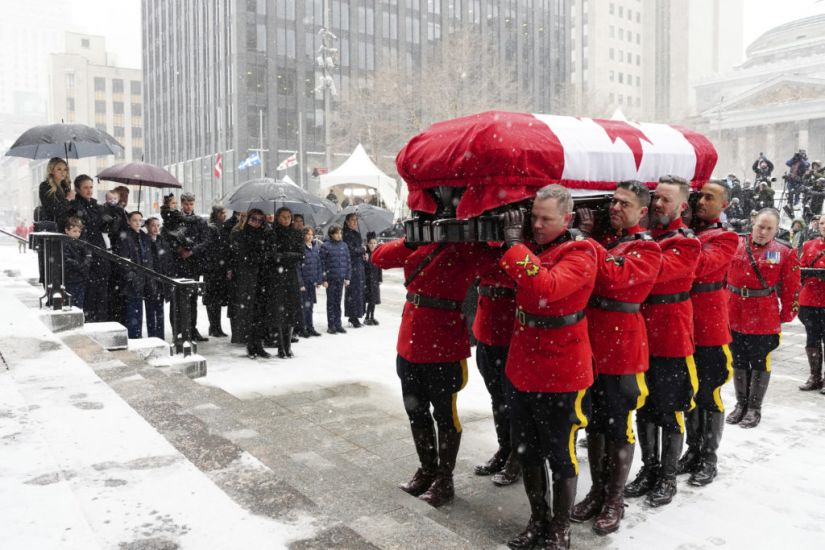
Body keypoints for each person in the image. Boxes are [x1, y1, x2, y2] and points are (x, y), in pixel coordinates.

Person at [496, 184, 595, 550]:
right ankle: (537, 521)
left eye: (545, 219)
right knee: (526, 450)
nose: (536, 225)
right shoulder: (533, 248)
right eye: (533, 217)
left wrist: (513, 246)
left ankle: (559, 528)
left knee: (560, 453)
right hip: (523, 363)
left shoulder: (582, 251)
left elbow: (546, 286)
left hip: (562, 368)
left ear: (567, 219)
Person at [371, 222, 494, 509]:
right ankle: (426, 469)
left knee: (445, 414)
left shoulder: (464, 243)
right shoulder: (419, 238)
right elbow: (379, 257)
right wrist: (411, 242)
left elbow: (494, 268)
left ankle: (444, 478)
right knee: (415, 410)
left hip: (443, 342)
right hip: (410, 340)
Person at [570, 181, 661, 536]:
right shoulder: (610, 242)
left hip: (623, 348)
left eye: (625, 204)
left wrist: (583, 238)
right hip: (591, 345)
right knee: (593, 424)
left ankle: (614, 499)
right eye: (614, 202)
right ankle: (597, 491)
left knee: (618, 425)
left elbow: (612, 277)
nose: (616, 208)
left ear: (642, 211)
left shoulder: (648, 248)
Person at [625, 175, 701, 508]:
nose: (657, 204)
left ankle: (668, 476)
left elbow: (650, 271)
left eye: (665, 200)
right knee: (644, 408)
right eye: (655, 198)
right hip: (642, 336)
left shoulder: (686, 242)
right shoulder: (648, 237)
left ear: (682, 206)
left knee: (670, 412)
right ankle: (649, 468)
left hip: (671, 338)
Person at [675, 180, 739, 488]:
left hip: (711, 330)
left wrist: (682, 233)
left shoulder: (726, 237)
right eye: (700, 196)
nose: (702, 202)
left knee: (709, 394)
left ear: (724, 205)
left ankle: (709, 457)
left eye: (710, 198)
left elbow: (698, 265)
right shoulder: (690, 233)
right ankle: (693, 450)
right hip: (685, 328)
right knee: (690, 393)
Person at [726, 208, 801, 428]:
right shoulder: (735, 243)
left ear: (776, 230)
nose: (763, 232)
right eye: (760, 226)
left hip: (763, 316)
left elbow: (792, 286)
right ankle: (740, 404)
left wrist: (787, 313)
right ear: (752, 222)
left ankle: (754, 408)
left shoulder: (784, 251)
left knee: (759, 361)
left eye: (769, 228)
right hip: (733, 311)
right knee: (738, 359)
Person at [470, 251, 520, 487]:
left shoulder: (521, 240)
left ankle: (518, 456)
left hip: (513, 331)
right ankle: (505, 447)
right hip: (487, 328)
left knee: (516, 401)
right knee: (497, 397)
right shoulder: (484, 240)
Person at [229, 210, 275, 359]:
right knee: (249, 313)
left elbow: (270, 253)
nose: (256, 222)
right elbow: (238, 255)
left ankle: (259, 344)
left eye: (260, 220)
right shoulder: (240, 233)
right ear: (248, 219)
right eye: (253, 219)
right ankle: (250, 343)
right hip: (247, 278)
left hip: (263, 277)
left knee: (261, 312)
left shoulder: (266, 233)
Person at [68, 175, 113, 322]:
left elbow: (105, 226)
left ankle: (101, 320)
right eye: (85, 188)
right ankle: (91, 321)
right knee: (90, 295)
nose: (89, 190)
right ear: (78, 189)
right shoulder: (75, 206)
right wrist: (100, 219)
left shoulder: (96, 205)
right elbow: (85, 225)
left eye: (91, 187)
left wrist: (108, 220)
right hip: (86, 252)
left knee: (102, 294)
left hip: (99, 251)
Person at [172, 192, 211, 341]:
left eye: (191, 204)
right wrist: (179, 249)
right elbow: (170, 237)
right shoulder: (176, 220)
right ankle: (179, 329)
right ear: (182, 204)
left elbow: (206, 241)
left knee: (192, 298)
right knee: (178, 298)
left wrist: (192, 251)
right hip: (179, 263)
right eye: (186, 204)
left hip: (193, 263)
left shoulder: (199, 221)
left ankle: (192, 328)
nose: (188, 207)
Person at [271, 207, 305, 358]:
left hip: (291, 275)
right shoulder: (272, 233)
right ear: (278, 217)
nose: (286, 219)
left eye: (288, 217)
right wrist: (283, 256)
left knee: (291, 311)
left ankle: (288, 345)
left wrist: (286, 255)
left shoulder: (297, 233)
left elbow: (301, 254)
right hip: (277, 277)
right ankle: (280, 346)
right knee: (279, 312)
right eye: (283, 217)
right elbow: (272, 255)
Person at [118, 211, 156, 339]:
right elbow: (124, 260)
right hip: (133, 281)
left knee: (145, 312)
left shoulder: (144, 237)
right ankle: (135, 338)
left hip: (146, 279)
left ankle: (146, 337)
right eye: (134, 220)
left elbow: (149, 257)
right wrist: (132, 276)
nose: (138, 223)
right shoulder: (126, 237)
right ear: (129, 222)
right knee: (133, 313)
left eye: (140, 220)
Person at [798, 215, 825, 393]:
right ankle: (815, 376)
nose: (824, 226)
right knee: (812, 339)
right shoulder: (809, 245)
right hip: (810, 300)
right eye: (822, 223)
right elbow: (800, 269)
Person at [204, 206, 231, 337]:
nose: (224, 215)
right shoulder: (212, 228)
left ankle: (217, 327)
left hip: (220, 268)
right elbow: (210, 247)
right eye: (222, 213)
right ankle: (213, 326)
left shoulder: (222, 227)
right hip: (212, 269)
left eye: (224, 213)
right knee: (212, 299)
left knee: (218, 299)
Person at [144, 217, 173, 339]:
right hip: (150, 280)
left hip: (161, 280)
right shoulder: (144, 242)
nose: (156, 228)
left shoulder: (163, 243)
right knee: (150, 310)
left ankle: (160, 337)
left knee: (160, 311)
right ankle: (152, 336)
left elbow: (168, 261)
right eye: (153, 226)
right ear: (147, 227)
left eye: (158, 226)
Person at [320, 225, 351, 334]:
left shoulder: (344, 245)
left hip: (340, 278)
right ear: (331, 234)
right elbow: (322, 263)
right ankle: (331, 325)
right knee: (331, 302)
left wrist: (347, 277)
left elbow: (348, 262)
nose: (339, 235)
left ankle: (338, 324)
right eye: (337, 233)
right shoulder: (325, 246)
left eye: (340, 233)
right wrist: (324, 279)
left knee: (338, 302)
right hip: (330, 279)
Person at [342, 213, 367, 327]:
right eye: (352, 220)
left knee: (359, 291)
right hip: (351, 266)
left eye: (356, 220)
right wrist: (362, 250)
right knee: (353, 292)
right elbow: (350, 250)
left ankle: (357, 315)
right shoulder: (345, 234)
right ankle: (353, 316)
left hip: (359, 265)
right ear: (347, 221)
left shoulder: (357, 234)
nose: (355, 222)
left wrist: (363, 254)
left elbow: (358, 250)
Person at [299, 227, 324, 338]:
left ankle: (310, 327)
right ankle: (303, 328)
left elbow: (318, 264)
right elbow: (298, 267)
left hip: (312, 282)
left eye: (311, 234)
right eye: (307, 234)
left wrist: (319, 279)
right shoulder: (301, 248)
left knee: (310, 306)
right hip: (304, 282)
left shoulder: (315, 248)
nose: (309, 236)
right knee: (304, 307)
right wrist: (301, 283)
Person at [63, 216, 91, 309]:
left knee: (79, 303)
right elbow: (67, 259)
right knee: (71, 303)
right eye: (74, 231)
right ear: (67, 230)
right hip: (71, 278)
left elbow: (87, 255)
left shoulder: (80, 243)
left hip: (80, 278)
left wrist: (85, 263)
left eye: (79, 231)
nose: (77, 234)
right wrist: (81, 265)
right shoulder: (65, 243)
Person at [38, 157, 74, 226]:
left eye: (65, 169)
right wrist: (68, 199)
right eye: (59, 169)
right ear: (51, 170)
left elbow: (69, 210)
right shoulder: (45, 186)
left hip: (66, 227)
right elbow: (55, 210)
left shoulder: (65, 186)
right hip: (52, 227)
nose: (63, 172)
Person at [363, 233, 383, 326]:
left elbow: (379, 268)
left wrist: (380, 279)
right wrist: (365, 260)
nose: (373, 245)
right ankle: (367, 317)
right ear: (367, 244)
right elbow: (364, 268)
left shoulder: (377, 254)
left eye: (375, 243)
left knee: (374, 299)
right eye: (371, 243)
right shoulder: (366, 254)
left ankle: (372, 316)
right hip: (368, 281)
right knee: (370, 300)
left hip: (375, 280)